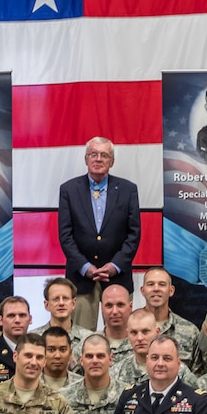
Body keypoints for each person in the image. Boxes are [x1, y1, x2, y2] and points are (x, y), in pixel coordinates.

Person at [57, 138, 143, 331]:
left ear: (112, 161)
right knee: (80, 337)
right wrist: (84, 267)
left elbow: (134, 234)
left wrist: (115, 266)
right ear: (86, 159)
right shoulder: (69, 190)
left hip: (117, 277)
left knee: (120, 337)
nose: (98, 159)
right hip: (80, 279)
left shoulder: (128, 190)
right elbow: (65, 235)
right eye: (93, 154)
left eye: (104, 155)